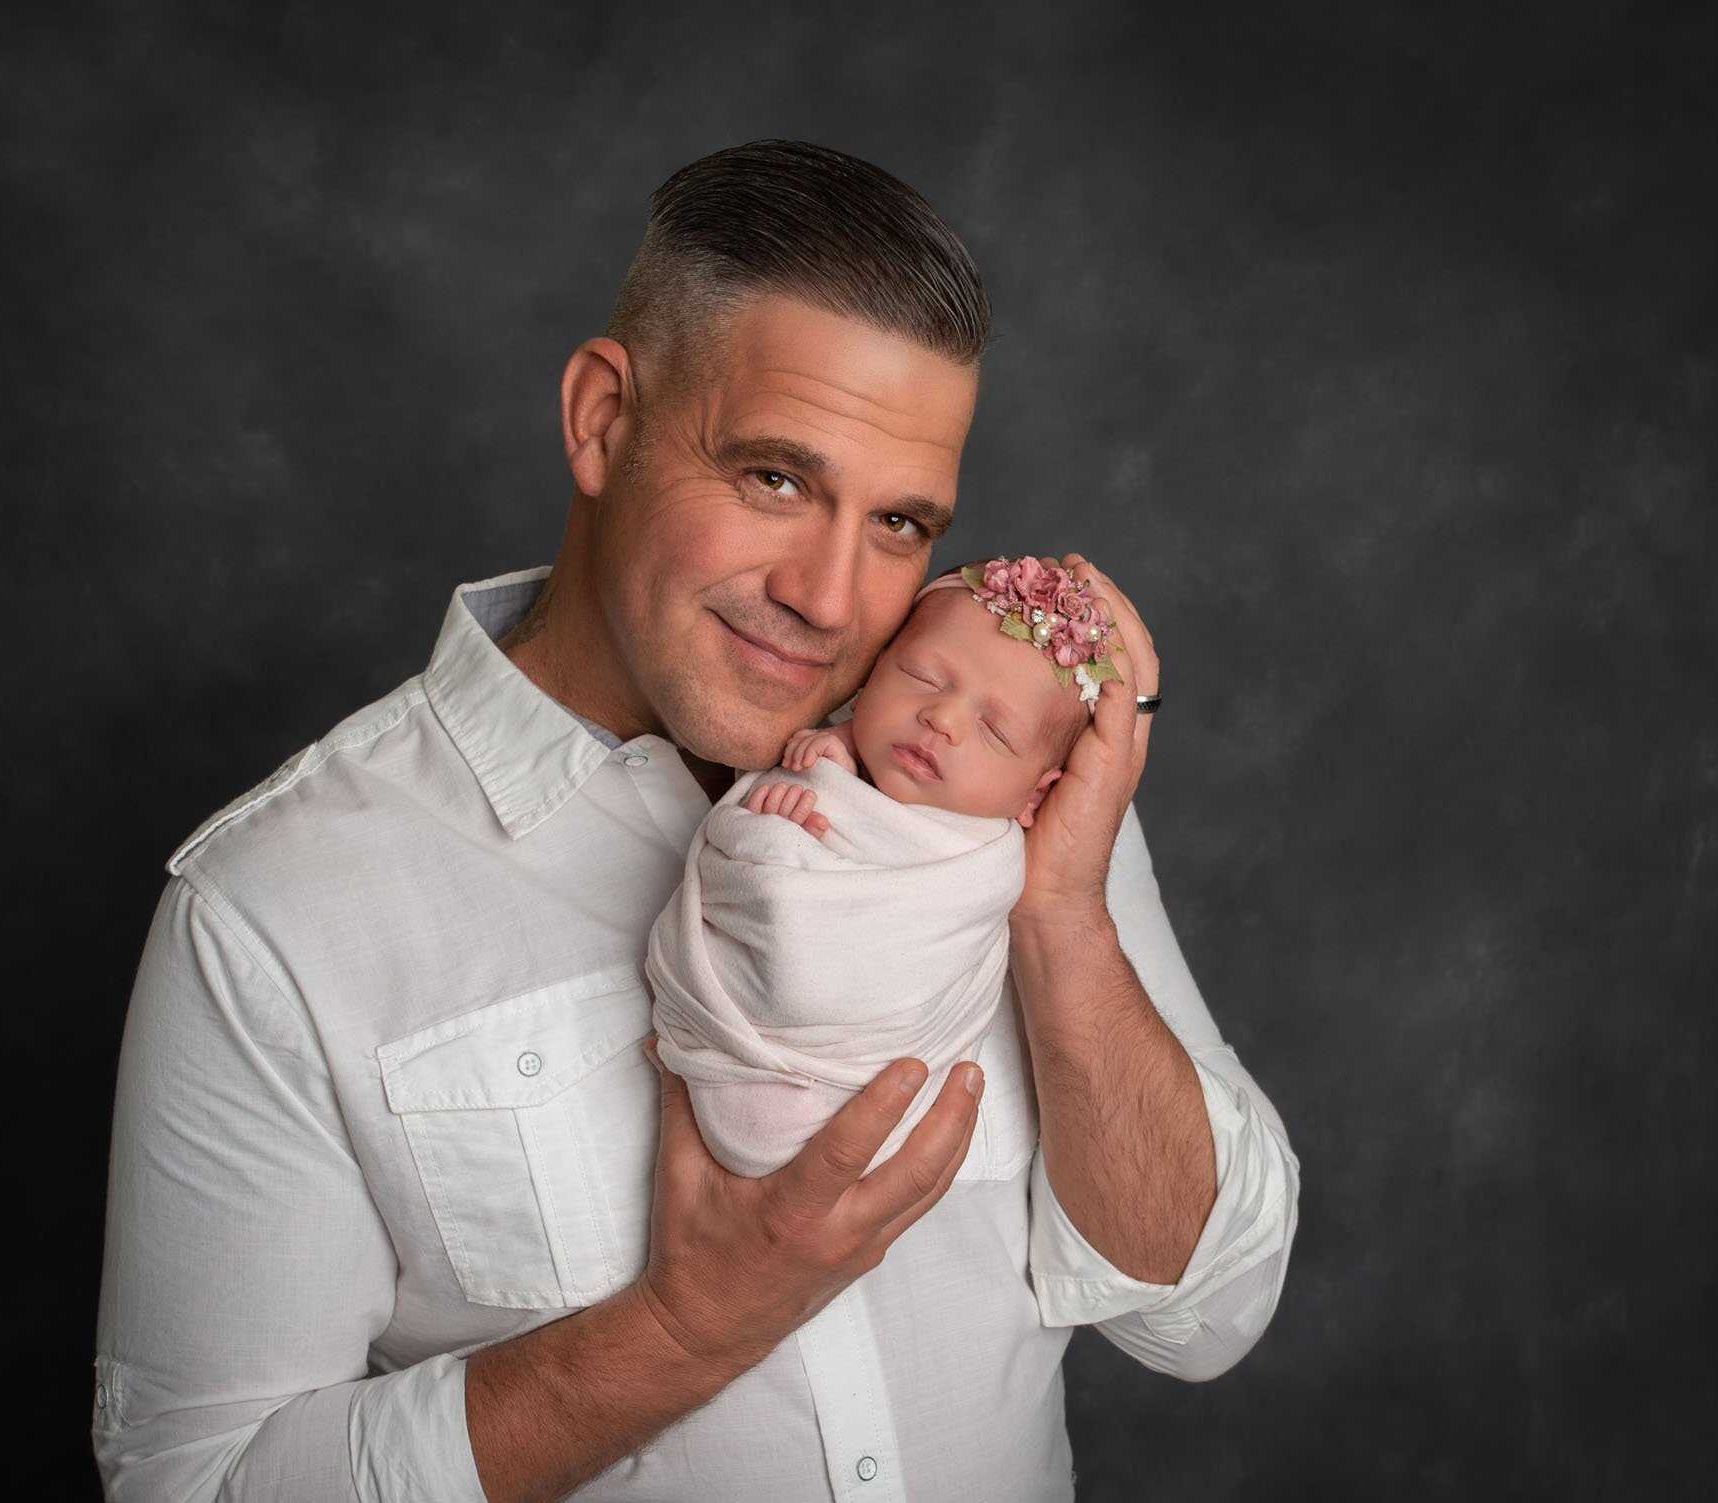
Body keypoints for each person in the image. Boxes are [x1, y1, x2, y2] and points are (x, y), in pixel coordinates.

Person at [93, 139, 1301, 1503]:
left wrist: (1064, 910)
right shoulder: (276, 908)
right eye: (776, 478)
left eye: (899, 518)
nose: (833, 598)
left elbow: (1203, 1314)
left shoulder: (995, 781)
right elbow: (196, 1483)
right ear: (604, 418)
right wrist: (681, 1329)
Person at [643, 555, 1127, 1179]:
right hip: (744, 1044)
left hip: (859, 1072)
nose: (942, 720)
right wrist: (782, 810)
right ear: (868, 681)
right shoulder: (815, 754)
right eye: (922, 678)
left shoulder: (990, 859)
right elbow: (752, 869)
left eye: (995, 731)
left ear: (1035, 796)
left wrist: (795, 825)